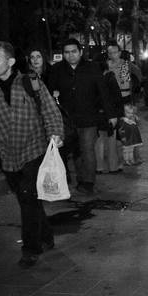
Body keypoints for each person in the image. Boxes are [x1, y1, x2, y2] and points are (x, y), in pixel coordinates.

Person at [0, 41, 64, 268]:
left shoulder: (30, 82)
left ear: (11, 61)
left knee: (27, 196)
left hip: (33, 150)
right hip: (7, 156)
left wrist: (55, 133)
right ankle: (46, 237)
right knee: (28, 200)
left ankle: (30, 248)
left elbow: (49, 110)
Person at [45, 39, 117, 195]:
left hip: (88, 117)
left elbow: (103, 91)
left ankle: (88, 182)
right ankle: (79, 179)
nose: (70, 55)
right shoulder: (57, 69)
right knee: (74, 151)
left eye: (74, 51)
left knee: (88, 150)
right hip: (66, 119)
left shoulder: (92, 68)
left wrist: (111, 114)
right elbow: (49, 92)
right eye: (67, 52)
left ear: (80, 52)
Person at [96, 58, 124, 174]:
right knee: (111, 141)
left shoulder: (97, 80)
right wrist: (119, 114)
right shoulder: (110, 78)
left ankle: (100, 167)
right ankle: (113, 167)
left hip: (100, 114)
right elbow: (118, 98)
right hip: (110, 114)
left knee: (100, 141)